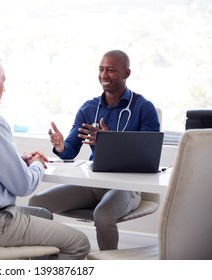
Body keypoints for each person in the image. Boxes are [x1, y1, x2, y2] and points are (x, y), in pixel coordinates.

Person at [0, 52, 90, 260]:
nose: (5, 88)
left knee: (44, 215)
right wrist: (37, 163)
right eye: (3, 82)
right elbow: (23, 186)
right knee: (79, 242)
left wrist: (17, 160)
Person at [29, 50, 160, 251]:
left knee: (103, 215)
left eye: (111, 70)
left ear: (126, 73)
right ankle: (45, 261)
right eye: (101, 69)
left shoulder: (144, 108)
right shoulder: (88, 108)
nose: (104, 75)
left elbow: (148, 157)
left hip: (126, 186)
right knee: (36, 203)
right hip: (93, 183)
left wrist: (110, 142)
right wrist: (60, 145)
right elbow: (70, 150)